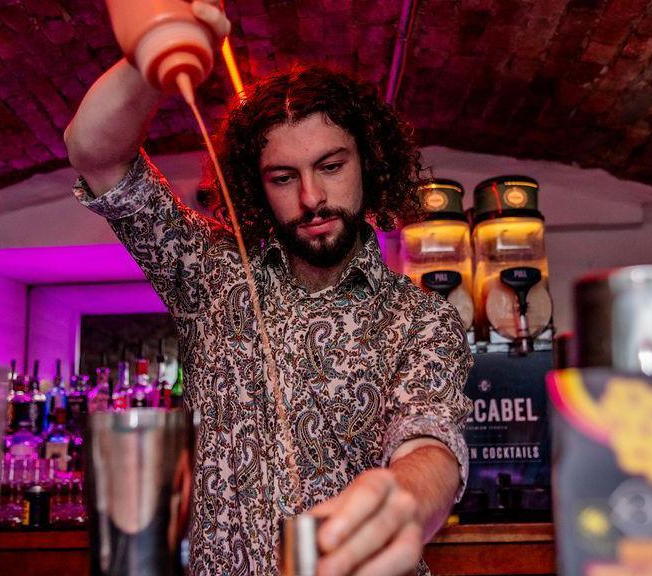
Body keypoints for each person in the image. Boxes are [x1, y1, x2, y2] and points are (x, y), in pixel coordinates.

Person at [64, 2, 473, 574]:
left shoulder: (420, 319)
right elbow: (95, 154)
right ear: (256, 187)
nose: (311, 198)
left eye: (331, 166)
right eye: (284, 177)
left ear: (369, 162)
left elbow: (429, 440)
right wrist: (156, 49)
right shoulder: (208, 273)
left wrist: (402, 505)